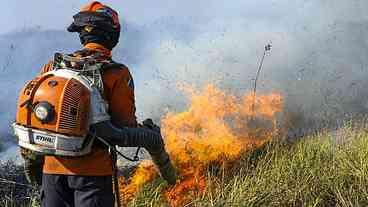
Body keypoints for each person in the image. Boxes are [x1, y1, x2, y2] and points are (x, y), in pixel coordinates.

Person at [39, 2, 137, 206]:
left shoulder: (53, 67)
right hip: (92, 174)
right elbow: (125, 125)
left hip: (52, 171)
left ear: (81, 34)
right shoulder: (116, 73)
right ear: (112, 35)